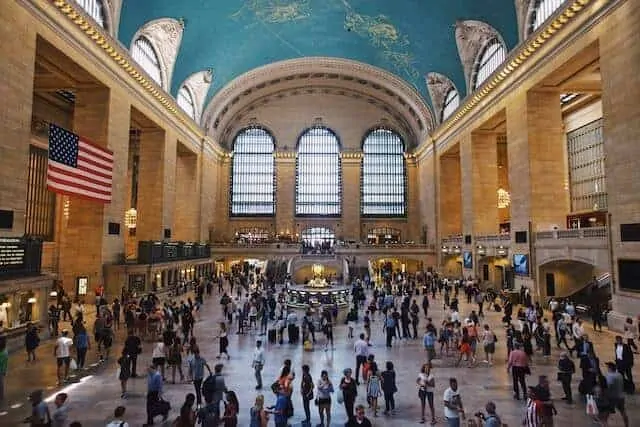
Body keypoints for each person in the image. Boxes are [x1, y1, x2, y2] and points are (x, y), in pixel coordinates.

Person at [605, 362, 630, 427]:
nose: (607, 368)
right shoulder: (619, 375)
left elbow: (608, 386)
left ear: (610, 368)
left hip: (612, 397)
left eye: (608, 367)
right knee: (623, 411)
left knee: (606, 413)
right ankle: (626, 425)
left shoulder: (610, 376)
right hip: (621, 396)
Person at [0, 338, 7, 404]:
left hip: (1, 370)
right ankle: (1, 395)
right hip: (3, 369)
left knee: (1, 383)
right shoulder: (5, 351)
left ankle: (1, 396)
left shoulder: (2, 354)